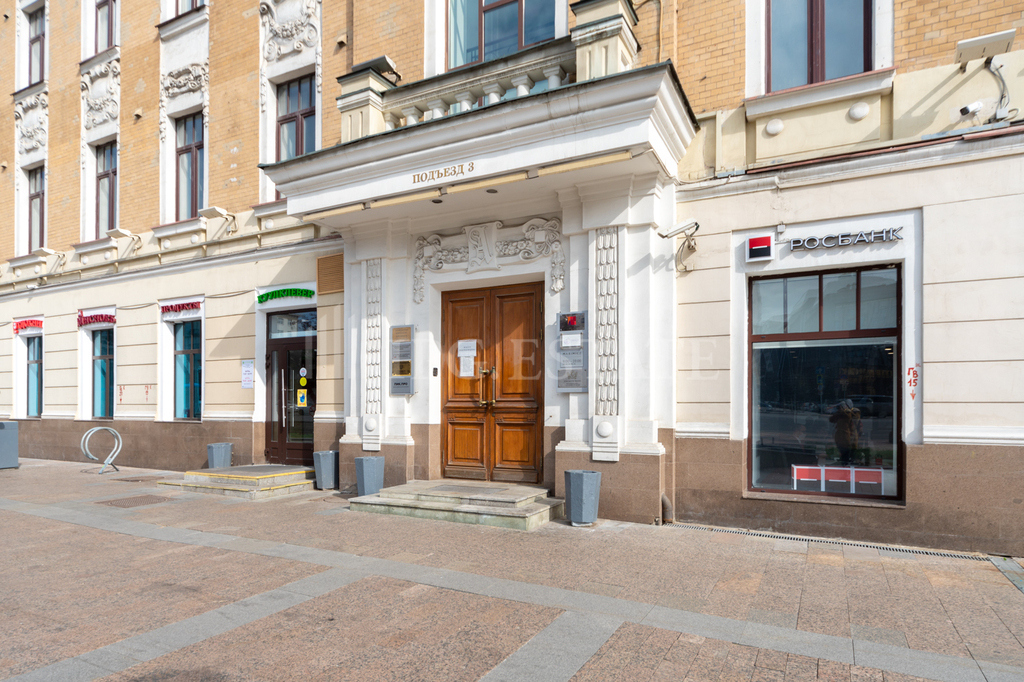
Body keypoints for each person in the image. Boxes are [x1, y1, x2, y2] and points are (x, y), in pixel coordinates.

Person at [829, 399, 862, 465]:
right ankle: (844, 462)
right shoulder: (841, 414)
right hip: (841, 437)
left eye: (843, 406)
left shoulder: (853, 412)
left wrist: (845, 410)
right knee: (844, 453)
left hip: (849, 437)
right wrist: (839, 411)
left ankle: (848, 463)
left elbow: (852, 417)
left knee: (849, 453)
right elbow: (831, 419)